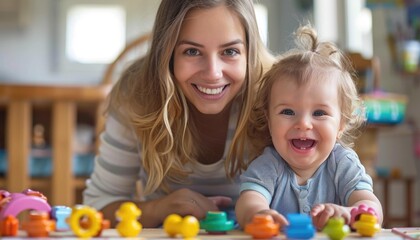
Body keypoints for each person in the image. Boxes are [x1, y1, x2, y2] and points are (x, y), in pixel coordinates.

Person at [83, 0, 274, 227]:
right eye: (192, 51)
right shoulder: (136, 95)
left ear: (249, 52)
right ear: (168, 54)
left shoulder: (277, 95)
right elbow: (97, 207)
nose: (213, 73)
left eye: (230, 51)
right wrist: (158, 209)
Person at [235, 24, 383, 230]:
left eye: (319, 113)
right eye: (287, 112)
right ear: (269, 121)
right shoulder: (269, 164)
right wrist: (259, 214)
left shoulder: (342, 163)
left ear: (341, 124)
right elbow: (247, 202)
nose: (303, 124)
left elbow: (371, 205)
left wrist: (350, 213)